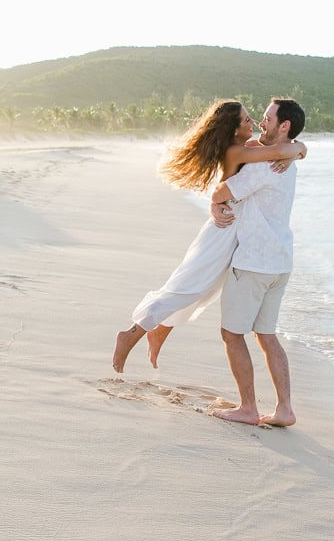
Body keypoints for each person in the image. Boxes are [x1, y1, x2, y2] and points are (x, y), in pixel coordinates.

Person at [111, 99, 307, 374]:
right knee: (189, 286)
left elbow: (279, 150)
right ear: (234, 129)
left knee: (202, 290)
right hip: (223, 231)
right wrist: (296, 149)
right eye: (247, 120)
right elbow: (280, 150)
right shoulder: (236, 152)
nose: (253, 124)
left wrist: (296, 150)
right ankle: (131, 333)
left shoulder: (248, 148)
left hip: (235, 228)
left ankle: (160, 332)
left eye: (255, 119)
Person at [207, 97, 305, 427]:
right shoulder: (287, 161)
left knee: (232, 334)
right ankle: (284, 409)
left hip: (253, 264)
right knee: (267, 335)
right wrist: (298, 149)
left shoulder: (266, 165)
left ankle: (248, 407)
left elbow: (223, 192)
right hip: (280, 263)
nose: (262, 123)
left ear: (284, 126)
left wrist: (214, 202)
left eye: (267, 118)